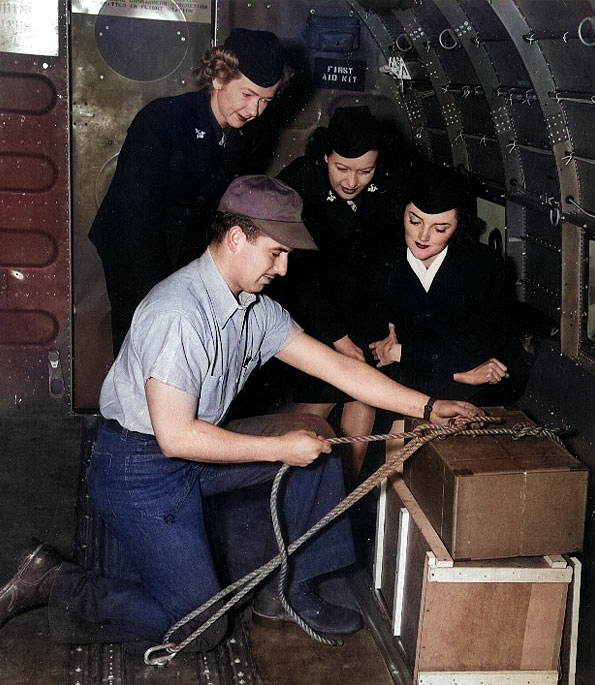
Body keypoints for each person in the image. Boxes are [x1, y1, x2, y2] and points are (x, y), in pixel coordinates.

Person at [0, 176, 481, 650]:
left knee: (316, 437)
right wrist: (278, 449)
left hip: (195, 450)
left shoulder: (254, 309)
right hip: (139, 468)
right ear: (236, 238)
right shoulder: (180, 313)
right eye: (277, 252)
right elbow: (175, 438)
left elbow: (340, 369)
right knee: (201, 627)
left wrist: (429, 406)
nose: (285, 268)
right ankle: (54, 582)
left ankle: (288, 590)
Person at [89, 27, 290, 354]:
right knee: (145, 344)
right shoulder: (164, 119)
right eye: (248, 95)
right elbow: (134, 217)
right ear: (220, 77)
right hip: (134, 248)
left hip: (183, 247)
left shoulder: (244, 135)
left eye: (265, 101)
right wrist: (157, 296)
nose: (255, 111)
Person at [265, 105, 419, 485]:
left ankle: (345, 490)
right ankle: (290, 487)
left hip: (367, 301)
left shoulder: (393, 183)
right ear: (325, 156)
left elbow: (398, 258)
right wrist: (337, 338)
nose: (353, 181)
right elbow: (297, 277)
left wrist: (394, 323)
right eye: (342, 169)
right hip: (312, 303)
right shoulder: (297, 183)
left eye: (365, 171)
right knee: (318, 396)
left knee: (363, 391)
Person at [370, 162, 532, 407]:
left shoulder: (485, 266)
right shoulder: (383, 261)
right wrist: (460, 374)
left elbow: (479, 350)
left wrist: (401, 352)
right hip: (427, 381)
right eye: (415, 221)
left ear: (458, 226)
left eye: (440, 228)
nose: (423, 237)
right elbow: (375, 347)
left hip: (471, 387)